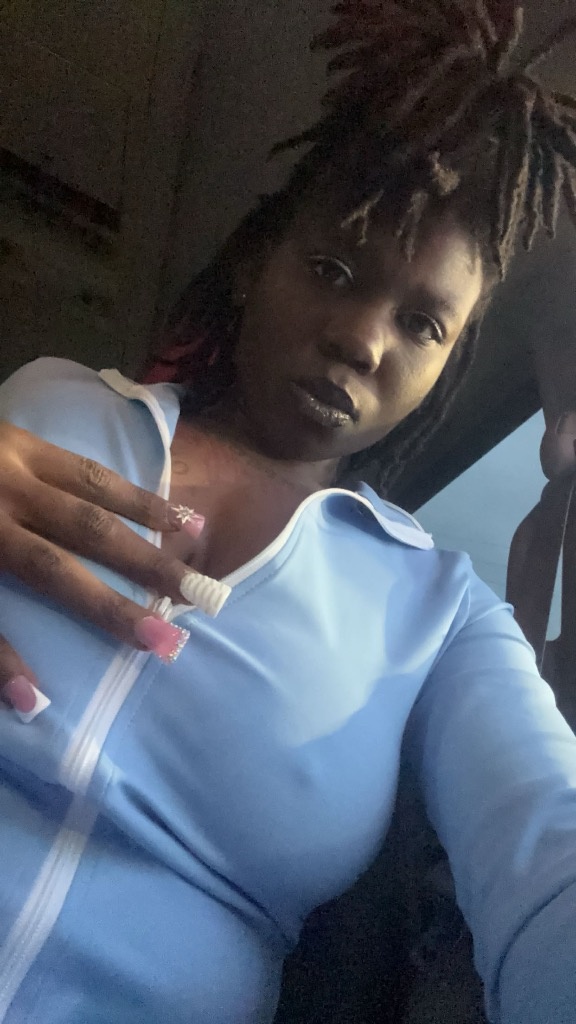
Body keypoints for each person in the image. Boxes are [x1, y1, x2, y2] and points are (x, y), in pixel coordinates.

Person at [1, 2, 576, 1021]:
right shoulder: (49, 401)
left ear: (446, 367)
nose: (362, 339)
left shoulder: (442, 616)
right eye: (332, 269)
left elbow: (548, 850)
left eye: (422, 322)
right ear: (253, 263)